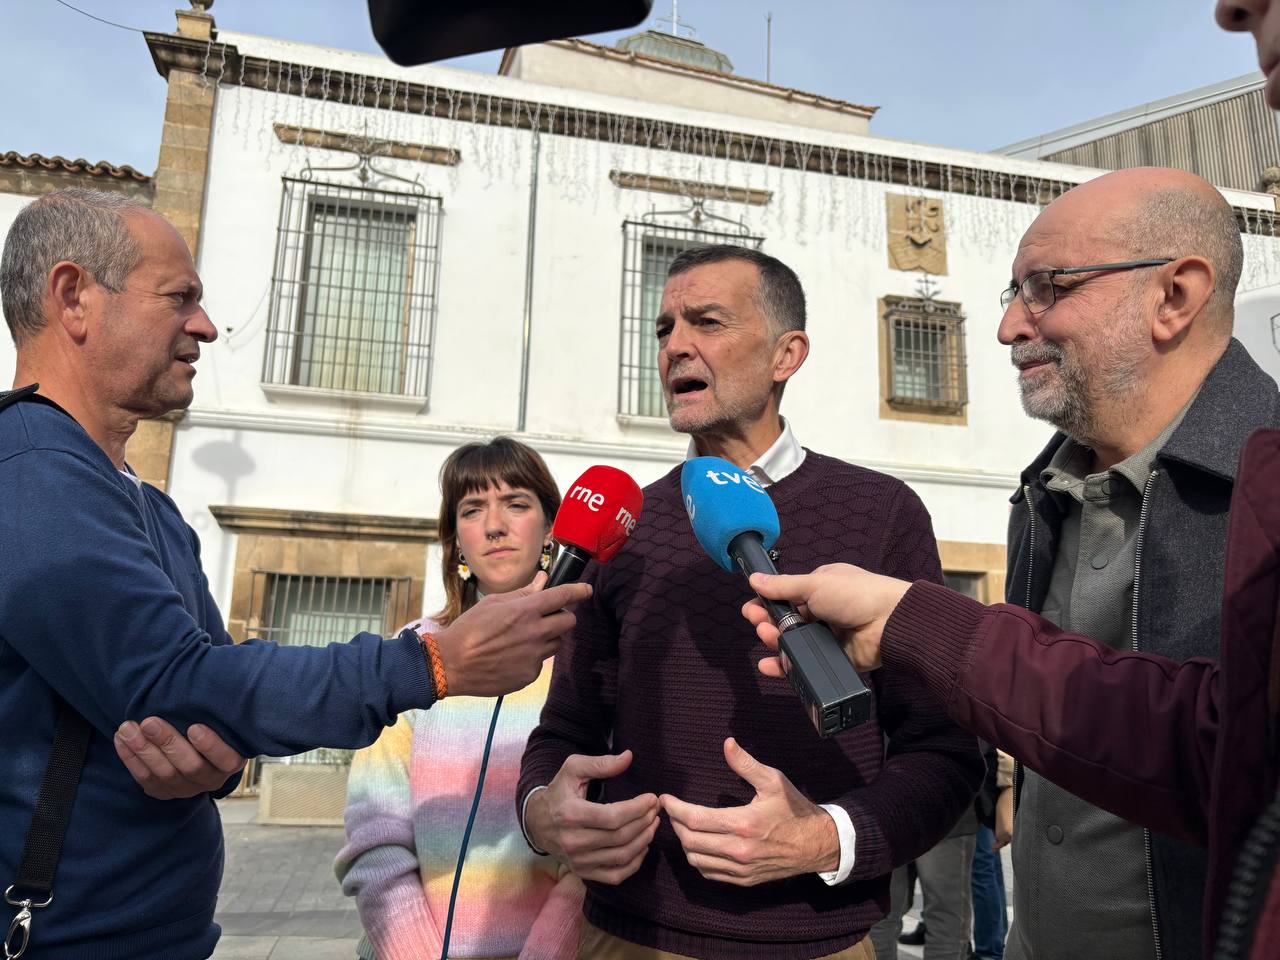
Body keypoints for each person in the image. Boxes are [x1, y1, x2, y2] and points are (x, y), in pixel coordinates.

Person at [0, 189, 589, 960]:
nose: (206, 326)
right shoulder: (30, 474)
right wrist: (430, 664)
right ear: (73, 296)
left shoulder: (155, 511)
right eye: (179, 298)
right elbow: (172, 683)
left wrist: (213, 766)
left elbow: (206, 698)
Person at [737, 165, 1280, 957]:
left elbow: (1221, 750)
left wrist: (920, 622)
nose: (1008, 328)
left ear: (1176, 296)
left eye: (1049, 287)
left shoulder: (1266, 491)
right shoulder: (1042, 496)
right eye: (1012, 295)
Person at [518, 245, 984, 960]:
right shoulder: (627, 525)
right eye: (664, 328)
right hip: (623, 934)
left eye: (705, 321)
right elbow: (566, 728)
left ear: (785, 354)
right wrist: (544, 812)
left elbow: (943, 752)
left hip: (819, 942)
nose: (675, 345)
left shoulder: (880, 513)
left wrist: (823, 838)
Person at [337, 437, 583, 960]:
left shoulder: (591, 660)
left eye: (516, 503)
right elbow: (374, 833)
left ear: (550, 528)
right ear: (456, 540)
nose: (495, 525)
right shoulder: (411, 655)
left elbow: (594, 858)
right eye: (473, 509)